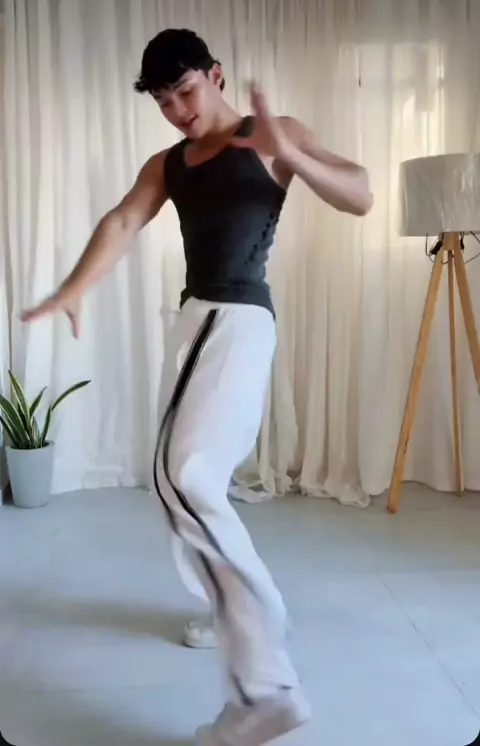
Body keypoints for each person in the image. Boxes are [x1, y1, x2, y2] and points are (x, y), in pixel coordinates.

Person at [21, 28, 372, 746]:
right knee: (176, 480)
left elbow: (361, 193)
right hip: (194, 322)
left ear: (216, 75)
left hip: (238, 319)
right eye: (163, 101)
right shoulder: (169, 163)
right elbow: (124, 218)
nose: (178, 111)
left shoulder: (269, 134)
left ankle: (264, 685)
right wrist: (75, 287)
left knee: (183, 477)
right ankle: (229, 609)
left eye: (184, 91)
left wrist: (294, 151)